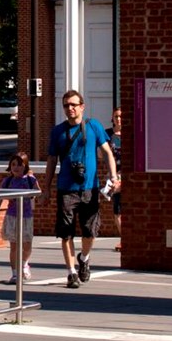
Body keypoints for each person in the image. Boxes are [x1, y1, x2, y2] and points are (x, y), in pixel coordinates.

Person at [43, 90, 120, 289]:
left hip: (90, 188)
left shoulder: (93, 126)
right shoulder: (58, 132)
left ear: (82, 106)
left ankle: (84, 258)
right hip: (66, 189)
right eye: (66, 105)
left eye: (73, 105)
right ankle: (71, 272)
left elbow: (107, 152)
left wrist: (113, 177)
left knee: (89, 232)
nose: (70, 109)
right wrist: (46, 188)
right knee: (66, 233)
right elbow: (51, 160)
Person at [0, 152, 39, 284]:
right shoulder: (8, 181)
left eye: (20, 165)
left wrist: (32, 193)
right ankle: (15, 273)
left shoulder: (30, 180)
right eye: (13, 164)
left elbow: (38, 191)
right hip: (12, 216)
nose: (16, 167)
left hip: (26, 216)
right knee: (14, 246)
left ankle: (24, 264)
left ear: (25, 166)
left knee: (27, 244)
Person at [106, 107, 123, 252]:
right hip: (114, 176)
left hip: (128, 176)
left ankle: (127, 239)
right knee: (117, 210)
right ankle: (123, 238)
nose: (118, 119)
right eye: (116, 116)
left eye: (121, 116)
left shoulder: (131, 133)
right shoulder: (108, 135)